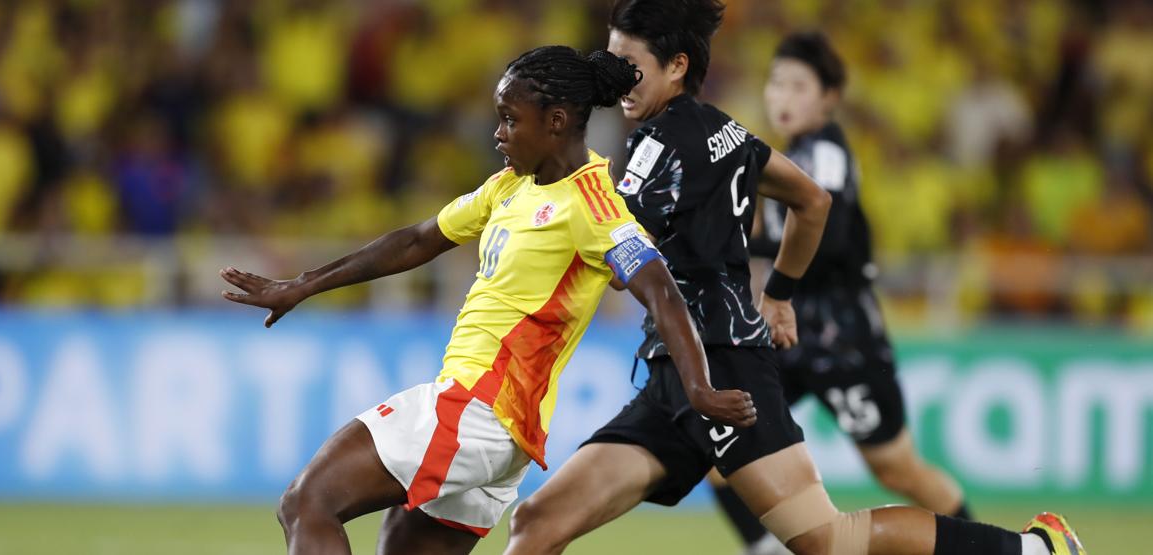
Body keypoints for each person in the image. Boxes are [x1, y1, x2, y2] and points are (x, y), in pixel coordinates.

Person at [502, 2, 1087, 555]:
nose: (616, 77)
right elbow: (811, 200)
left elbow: (611, 260)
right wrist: (778, 295)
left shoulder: (656, 151)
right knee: (539, 520)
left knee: (828, 540)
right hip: (675, 378)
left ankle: (1033, 548)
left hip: (726, 371)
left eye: (629, 64)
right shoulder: (724, 131)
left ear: (677, 66)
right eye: (609, 60)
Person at [218, 45, 757, 555]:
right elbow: (417, 239)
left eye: (509, 119)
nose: (498, 134)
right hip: (501, 434)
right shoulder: (510, 186)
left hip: (478, 407)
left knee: (306, 501)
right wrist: (304, 284)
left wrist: (699, 388)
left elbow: (659, 288)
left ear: (556, 121)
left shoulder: (592, 205)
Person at [707, 31, 974, 555]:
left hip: (844, 339)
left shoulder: (823, 152)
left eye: (798, 85)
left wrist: (733, 238)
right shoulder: (794, 156)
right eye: (776, 83)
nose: (781, 96)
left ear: (829, 97)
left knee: (896, 469)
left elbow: (825, 234)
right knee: (721, 444)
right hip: (790, 333)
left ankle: (994, 546)